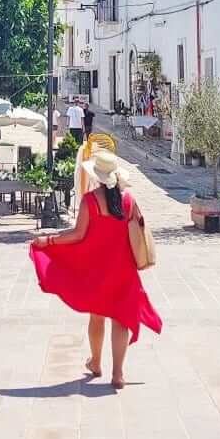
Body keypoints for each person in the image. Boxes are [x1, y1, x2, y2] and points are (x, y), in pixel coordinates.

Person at [29, 149, 162, 388]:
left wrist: (48, 240)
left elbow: (77, 234)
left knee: (97, 316)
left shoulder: (90, 200)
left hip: (98, 270)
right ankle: (118, 374)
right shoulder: (129, 200)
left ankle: (97, 363)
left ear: (97, 176)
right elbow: (140, 228)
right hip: (124, 269)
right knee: (120, 319)